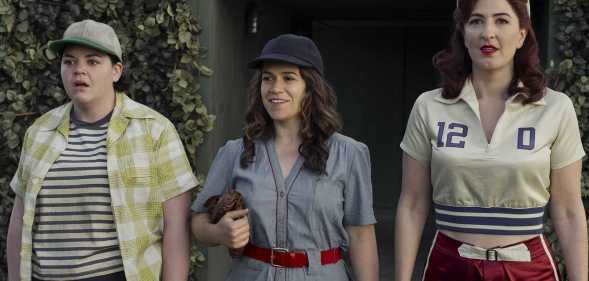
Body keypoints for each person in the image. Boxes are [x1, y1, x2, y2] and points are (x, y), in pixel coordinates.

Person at [394, 0, 588, 280]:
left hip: (530, 270)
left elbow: (569, 210)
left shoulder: (556, 108)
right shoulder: (429, 106)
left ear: (522, 34)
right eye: (476, 21)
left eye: (501, 20)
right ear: (463, 32)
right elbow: (412, 204)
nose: (488, 32)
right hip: (448, 267)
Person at [7, 19, 198, 281]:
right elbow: (19, 220)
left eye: (93, 61)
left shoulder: (155, 131)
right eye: (69, 61)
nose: (79, 70)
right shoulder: (39, 132)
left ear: (116, 71)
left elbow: (177, 229)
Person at [190, 34, 379, 281]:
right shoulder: (234, 152)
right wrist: (219, 233)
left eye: (288, 78)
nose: (275, 88)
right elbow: (198, 223)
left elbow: (361, 236)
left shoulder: (349, 154)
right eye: (267, 78)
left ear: (311, 87)